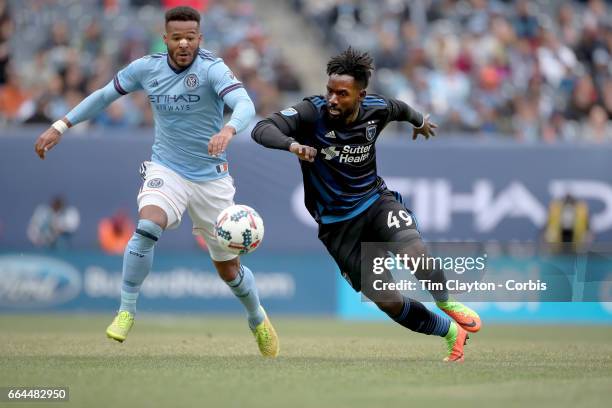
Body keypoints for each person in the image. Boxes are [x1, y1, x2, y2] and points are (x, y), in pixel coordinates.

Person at [34, 6, 278, 357]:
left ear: (200, 39)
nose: (183, 43)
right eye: (176, 37)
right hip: (167, 169)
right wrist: (61, 125)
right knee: (148, 224)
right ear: (165, 38)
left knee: (228, 270)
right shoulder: (146, 68)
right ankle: (126, 310)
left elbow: (244, 104)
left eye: (190, 38)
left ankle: (257, 318)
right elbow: (104, 96)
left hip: (211, 180)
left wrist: (228, 129)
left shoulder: (212, 68)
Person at [252, 47, 481, 362]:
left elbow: (400, 108)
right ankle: (450, 332)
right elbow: (261, 129)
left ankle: (445, 302)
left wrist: (420, 122)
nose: (333, 99)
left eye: (342, 94)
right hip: (337, 227)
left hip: (375, 203)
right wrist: (292, 144)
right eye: (330, 91)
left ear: (361, 94)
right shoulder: (311, 113)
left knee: (415, 253)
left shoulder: (376, 110)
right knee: (388, 301)